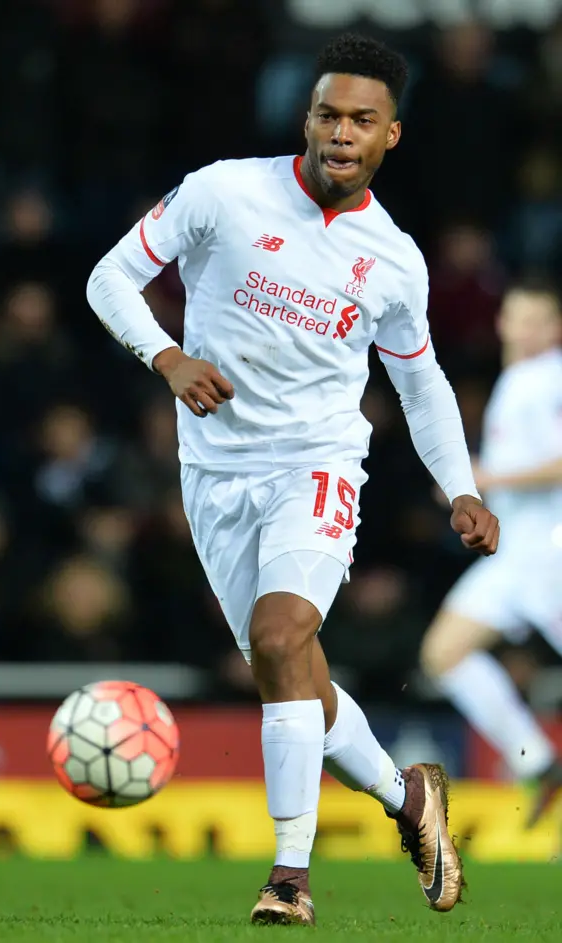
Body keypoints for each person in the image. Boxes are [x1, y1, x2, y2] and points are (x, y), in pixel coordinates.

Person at [87, 33, 499, 926]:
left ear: (392, 135)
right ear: (305, 117)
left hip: (315, 463)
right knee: (292, 670)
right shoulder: (223, 191)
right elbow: (110, 276)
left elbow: (420, 380)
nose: (340, 132)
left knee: (280, 638)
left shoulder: (393, 259)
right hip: (214, 472)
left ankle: (289, 874)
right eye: (327, 113)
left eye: (362, 119)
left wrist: (459, 487)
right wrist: (165, 355)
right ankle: (407, 796)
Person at [421, 283, 562, 827]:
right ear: (502, 321)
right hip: (517, 557)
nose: (524, 330)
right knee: (443, 653)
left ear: (554, 330)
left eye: (538, 321)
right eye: (516, 317)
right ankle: (539, 759)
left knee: (445, 653)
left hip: (549, 553)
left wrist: (486, 477)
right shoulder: (519, 379)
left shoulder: (545, 380)